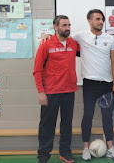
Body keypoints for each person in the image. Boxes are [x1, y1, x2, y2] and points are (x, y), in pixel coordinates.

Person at [75, 9, 114, 161]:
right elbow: (62, 38)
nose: (101, 22)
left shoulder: (110, 38)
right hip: (89, 83)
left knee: (107, 118)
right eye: (97, 19)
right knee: (87, 116)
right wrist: (48, 35)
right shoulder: (81, 36)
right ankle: (85, 148)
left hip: (106, 84)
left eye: (102, 19)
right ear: (90, 21)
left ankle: (110, 148)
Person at [33, 15, 79, 163]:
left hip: (69, 91)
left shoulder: (73, 43)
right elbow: (37, 70)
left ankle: (65, 153)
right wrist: (41, 92)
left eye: (69, 25)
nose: (67, 28)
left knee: (67, 124)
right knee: (47, 126)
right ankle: (43, 156)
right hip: (51, 93)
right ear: (55, 27)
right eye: (64, 25)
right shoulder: (46, 43)